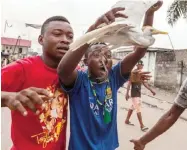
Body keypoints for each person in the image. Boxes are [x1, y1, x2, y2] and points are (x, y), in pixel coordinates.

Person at [1, 7, 134, 150]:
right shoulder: (22, 68)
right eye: (57, 34)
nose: (65, 40)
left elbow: (97, 74)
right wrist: (9, 97)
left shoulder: (75, 73)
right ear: (41, 39)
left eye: (70, 37)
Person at [57, 1, 163, 150]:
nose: (103, 59)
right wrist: (94, 30)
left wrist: (149, 14)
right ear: (86, 61)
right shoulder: (79, 81)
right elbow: (63, 70)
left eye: (108, 55)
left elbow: (140, 49)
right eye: (96, 55)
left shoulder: (113, 77)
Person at [125, 60, 156, 132]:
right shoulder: (133, 73)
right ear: (137, 65)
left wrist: (151, 90)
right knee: (138, 108)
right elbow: (129, 83)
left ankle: (127, 120)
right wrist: (127, 93)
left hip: (138, 93)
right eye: (140, 65)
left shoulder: (141, 74)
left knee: (132, 107)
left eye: (142, 65)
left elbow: (144, 83)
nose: (141, 66)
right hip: (134, 93)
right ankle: (142, 125)